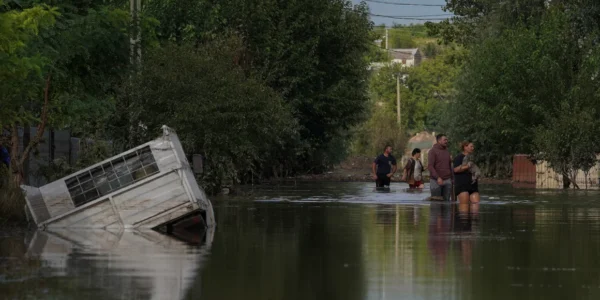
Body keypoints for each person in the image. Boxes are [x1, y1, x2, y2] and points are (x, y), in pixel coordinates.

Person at [428, 134, 453, 201]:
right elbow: (430, 166)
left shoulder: (447, 151)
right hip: (435, 180)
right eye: (445, 140)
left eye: (447, 140)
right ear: (439, 141)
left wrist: (452, 179)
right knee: (436, 202)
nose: (446, 141)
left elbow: (450, 166)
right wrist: (438, 177)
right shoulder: (432, 151)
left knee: (447, 203)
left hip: (447, 180)